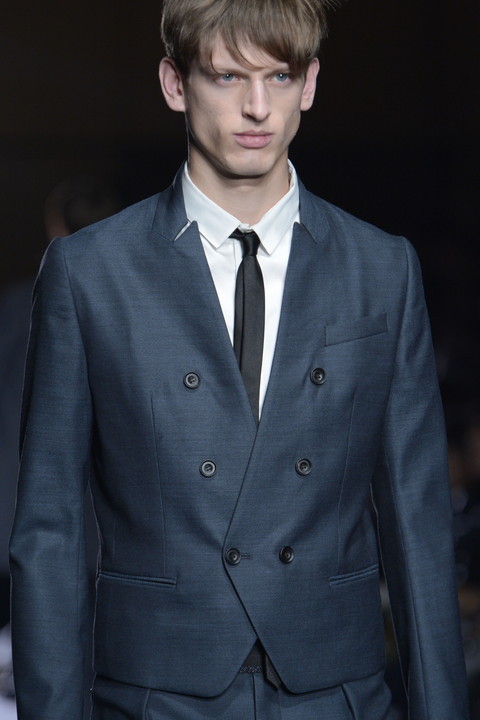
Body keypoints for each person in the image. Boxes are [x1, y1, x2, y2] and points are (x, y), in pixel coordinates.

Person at [9, 0, 469, 718]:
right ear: (175, 83)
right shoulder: (90, 273)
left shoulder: (382, 269)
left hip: (335, 693)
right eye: (226, 76)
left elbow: (418, 522)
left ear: (309, 84)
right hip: (157, 695)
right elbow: (50, 528)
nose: (257, 107)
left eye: (279, 76)